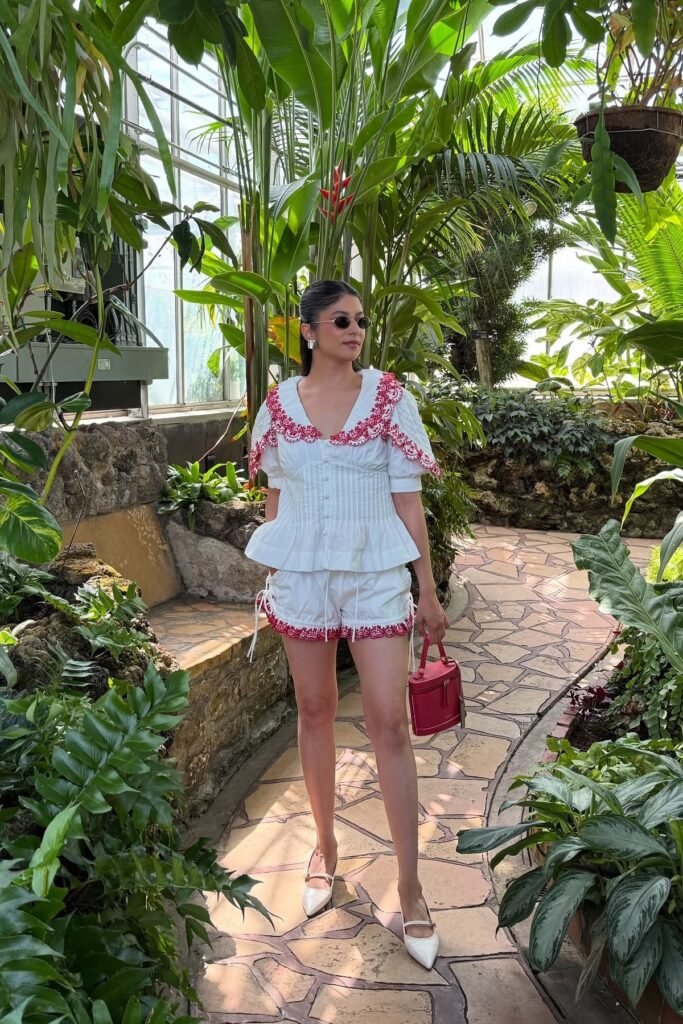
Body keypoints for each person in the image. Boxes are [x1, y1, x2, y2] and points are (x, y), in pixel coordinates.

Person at [244, 279, 448, 969]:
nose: (354, 329)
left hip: (373, 573)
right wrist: (272, 577)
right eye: (340, 319)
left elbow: (408, 501)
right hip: (301, 576)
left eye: (360, 319)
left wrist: (426, 588)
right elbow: (275, 500)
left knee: (389, 720)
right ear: (307, 330)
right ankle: (324, 850)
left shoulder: (390, 399)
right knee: (313, 708)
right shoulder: (275, 408)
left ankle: (412, 888)